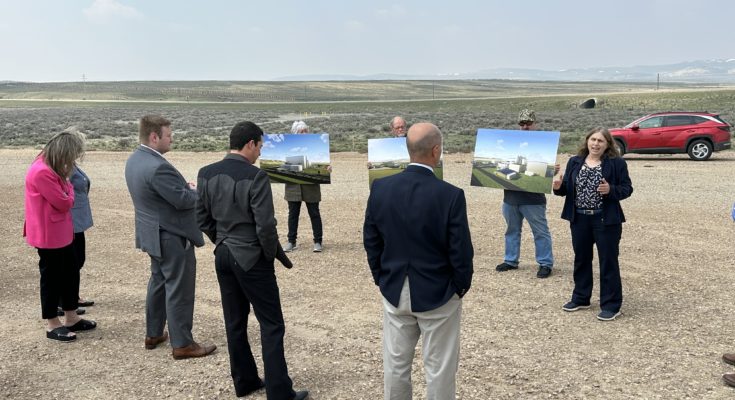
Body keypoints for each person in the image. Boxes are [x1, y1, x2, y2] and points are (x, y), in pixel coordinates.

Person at [197, 121, 308, 400]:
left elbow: (202, 218)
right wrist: (268, 256)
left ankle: (245, 381)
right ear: (250, 144)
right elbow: (265, 226)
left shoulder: (205, 173)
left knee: (234, 322)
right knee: (272, 324)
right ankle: (280, 393)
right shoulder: (256, 176)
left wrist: (222, 240)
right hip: (250, 257)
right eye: (259, 146)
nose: (260, 152)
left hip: (223, 254)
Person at [363, 122, 473, 399]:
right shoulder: (450, 195)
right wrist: (460, 286)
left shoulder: (381, 188)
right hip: (439, 292)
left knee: (395, 365)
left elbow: (371, 239)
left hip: (394, 289)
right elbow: (460, 250)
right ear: (436, 151)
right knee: (440, 369)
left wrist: (381, 277)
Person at [124, 115, 216, 359]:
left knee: (159, 282)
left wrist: (184, 189)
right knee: (179, 288)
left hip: (152, 234)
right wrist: (196, 191)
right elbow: (182, 200)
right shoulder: (158, 167)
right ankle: (183, 344)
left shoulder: (135, 159)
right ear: (154, 137)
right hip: (171, 236)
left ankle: (153, 333)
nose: (171, 139)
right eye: (168, 135)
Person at [553, 127, 633, 321]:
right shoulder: (575, 161)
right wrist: (558, 187)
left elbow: (627, 188)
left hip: (605, 220)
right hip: (579, 219)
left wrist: (611, 190)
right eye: (593, 139)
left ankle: (611, 305)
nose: (596, 144)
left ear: (607, 145)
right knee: (581, 259)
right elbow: (566, 189)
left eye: (600, 141)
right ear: (587, 141)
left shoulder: (617, 163)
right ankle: (581, 298)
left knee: (608, 262)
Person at [24, 131, 97, 342]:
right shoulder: (42, 171)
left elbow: (64, 195)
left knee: (70, 272)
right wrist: (68, 187)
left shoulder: (50, 168)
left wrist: (66, 187)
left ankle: (71, 317)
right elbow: (64, 202)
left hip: (62, 232)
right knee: (51, 278)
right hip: (49, 235)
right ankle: (52, 323)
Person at [496, 109, 556, 278]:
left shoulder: (544, 144)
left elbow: (543, 171)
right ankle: (510, 260)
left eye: (529, 123)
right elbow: (503, 165)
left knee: (540, 232)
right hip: (510, 198)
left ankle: (545, 263)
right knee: (511, 230)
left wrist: (552, 170)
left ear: (535, 124)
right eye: (522, 123)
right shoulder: (511, 144)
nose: (525, 127)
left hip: (533, 199)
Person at [283, 120, 323, 253]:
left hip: (311, 187)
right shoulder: (287, 148)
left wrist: (327, 169)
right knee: (293, 214)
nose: (304, 133)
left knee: (314, 213)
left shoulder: (316, 147)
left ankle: (318, 241)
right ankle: (291, 241)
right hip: (293, 187)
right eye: (301, 131)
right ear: (294, 133)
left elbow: (321, 164)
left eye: (306, 131)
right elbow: (283, 166)